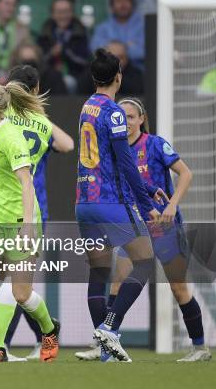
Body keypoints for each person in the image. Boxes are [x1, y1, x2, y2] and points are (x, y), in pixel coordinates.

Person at [75, 49, 160, 362]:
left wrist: (147, 189)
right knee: (146, 261)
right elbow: (126, 164)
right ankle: (109, 329)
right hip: (110, 202)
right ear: (118, 78)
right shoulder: (113, 112)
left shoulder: (87, 108)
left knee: (99, 271)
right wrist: (147, 198)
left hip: (83, 203)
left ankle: (102, 348)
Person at [112, 98, 209, 362]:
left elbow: (185, 173)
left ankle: (199, 347)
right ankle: (106, 340)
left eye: (131, 117)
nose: (127, 122)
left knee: (178, 288)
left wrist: (171, 206)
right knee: (117, 282)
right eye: (122, 117)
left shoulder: (154, 144)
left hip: (164, 225)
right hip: (135, 227)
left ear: (141, 119)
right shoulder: (116, 149)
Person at [0, 80, 60, 363]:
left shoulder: (11, 138)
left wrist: (28, 225)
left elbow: (26, 182)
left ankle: (49, 329)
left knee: (22, 294)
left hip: (19, 222)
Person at [1, 65, 74, 361]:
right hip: (33, 207)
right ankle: (45, 331)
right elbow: (68, 145)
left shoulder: (1, 121)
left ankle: (1, 344)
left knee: (9, 285)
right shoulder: (39, 124)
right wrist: (39, 115)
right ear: (35, 90)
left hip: (9, 208)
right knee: (14, 287)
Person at [38, 0, 91, 93]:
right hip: (49, 78)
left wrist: (65, 52)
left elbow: (85, 62)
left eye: (66, 11)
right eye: (59, 12)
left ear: (72, 13)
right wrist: (52, 54)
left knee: (68, 82)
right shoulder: (44, 34)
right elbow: (39, 62)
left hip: (75, 77)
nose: (63, 16)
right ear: (53, 14)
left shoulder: (81, 33)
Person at [90, 0, 145, 71]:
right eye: (118, 1)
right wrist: (127, 46)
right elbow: (96, 51)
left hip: (138, 73)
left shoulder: (143, 26)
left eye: (126, 0)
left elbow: (143, 52)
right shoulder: (102, 28)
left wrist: (113, 48)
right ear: (112, 6)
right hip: (109, 72)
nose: (123, 4)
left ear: (132, 3)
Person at [78, 41, 144, 95]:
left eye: (121, 57)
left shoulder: (136, 74)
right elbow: (82, 90)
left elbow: (136, 93)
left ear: (127, 58)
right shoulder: (92, 73)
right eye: (113, 57)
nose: (117, 61)